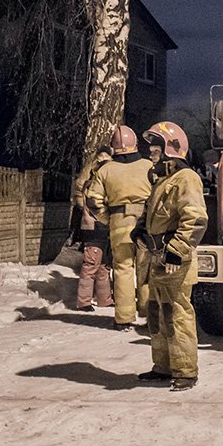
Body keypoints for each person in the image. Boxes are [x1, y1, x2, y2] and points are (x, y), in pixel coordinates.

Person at [133, 121, 208, 392]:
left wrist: (177, 251)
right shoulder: (163, 179)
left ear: (171, 148)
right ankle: (163, 366)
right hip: (157, 258)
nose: (151, 151)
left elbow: (196, 219)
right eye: (151, 145)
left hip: (174, 260)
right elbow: (155, 213)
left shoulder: (186, 178)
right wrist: (140, 229)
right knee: (156, 312)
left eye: (156, 146)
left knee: (177, 314)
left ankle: (186, 372)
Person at [86, 125, 153, 331]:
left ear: (114, 148)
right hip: (146, 224)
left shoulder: (105, 170)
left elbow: (93, 201)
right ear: (135, 144)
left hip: (119, 223)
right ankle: (149, 314)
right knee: (146, 270)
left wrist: (109, 218)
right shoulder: (149, 166)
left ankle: (124, 318)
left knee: (123, 269)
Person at [72, 146, 113, 312]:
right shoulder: (93, 184)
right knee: (91, 265)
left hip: (101, 228)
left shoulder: (95, 180)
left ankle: (104, 299)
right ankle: (84, 302)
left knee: (103, 265)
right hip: (94, 228)